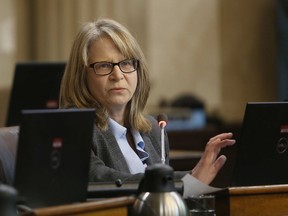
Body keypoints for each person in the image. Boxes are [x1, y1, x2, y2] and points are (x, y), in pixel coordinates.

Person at [59, 18, 235, 194]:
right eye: (104, 66)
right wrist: (188, 182)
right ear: (81, 75)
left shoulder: (153, 130)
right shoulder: (73, 124)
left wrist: (193, 179)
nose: (118, 75)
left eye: (126, 63)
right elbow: (97, 178)